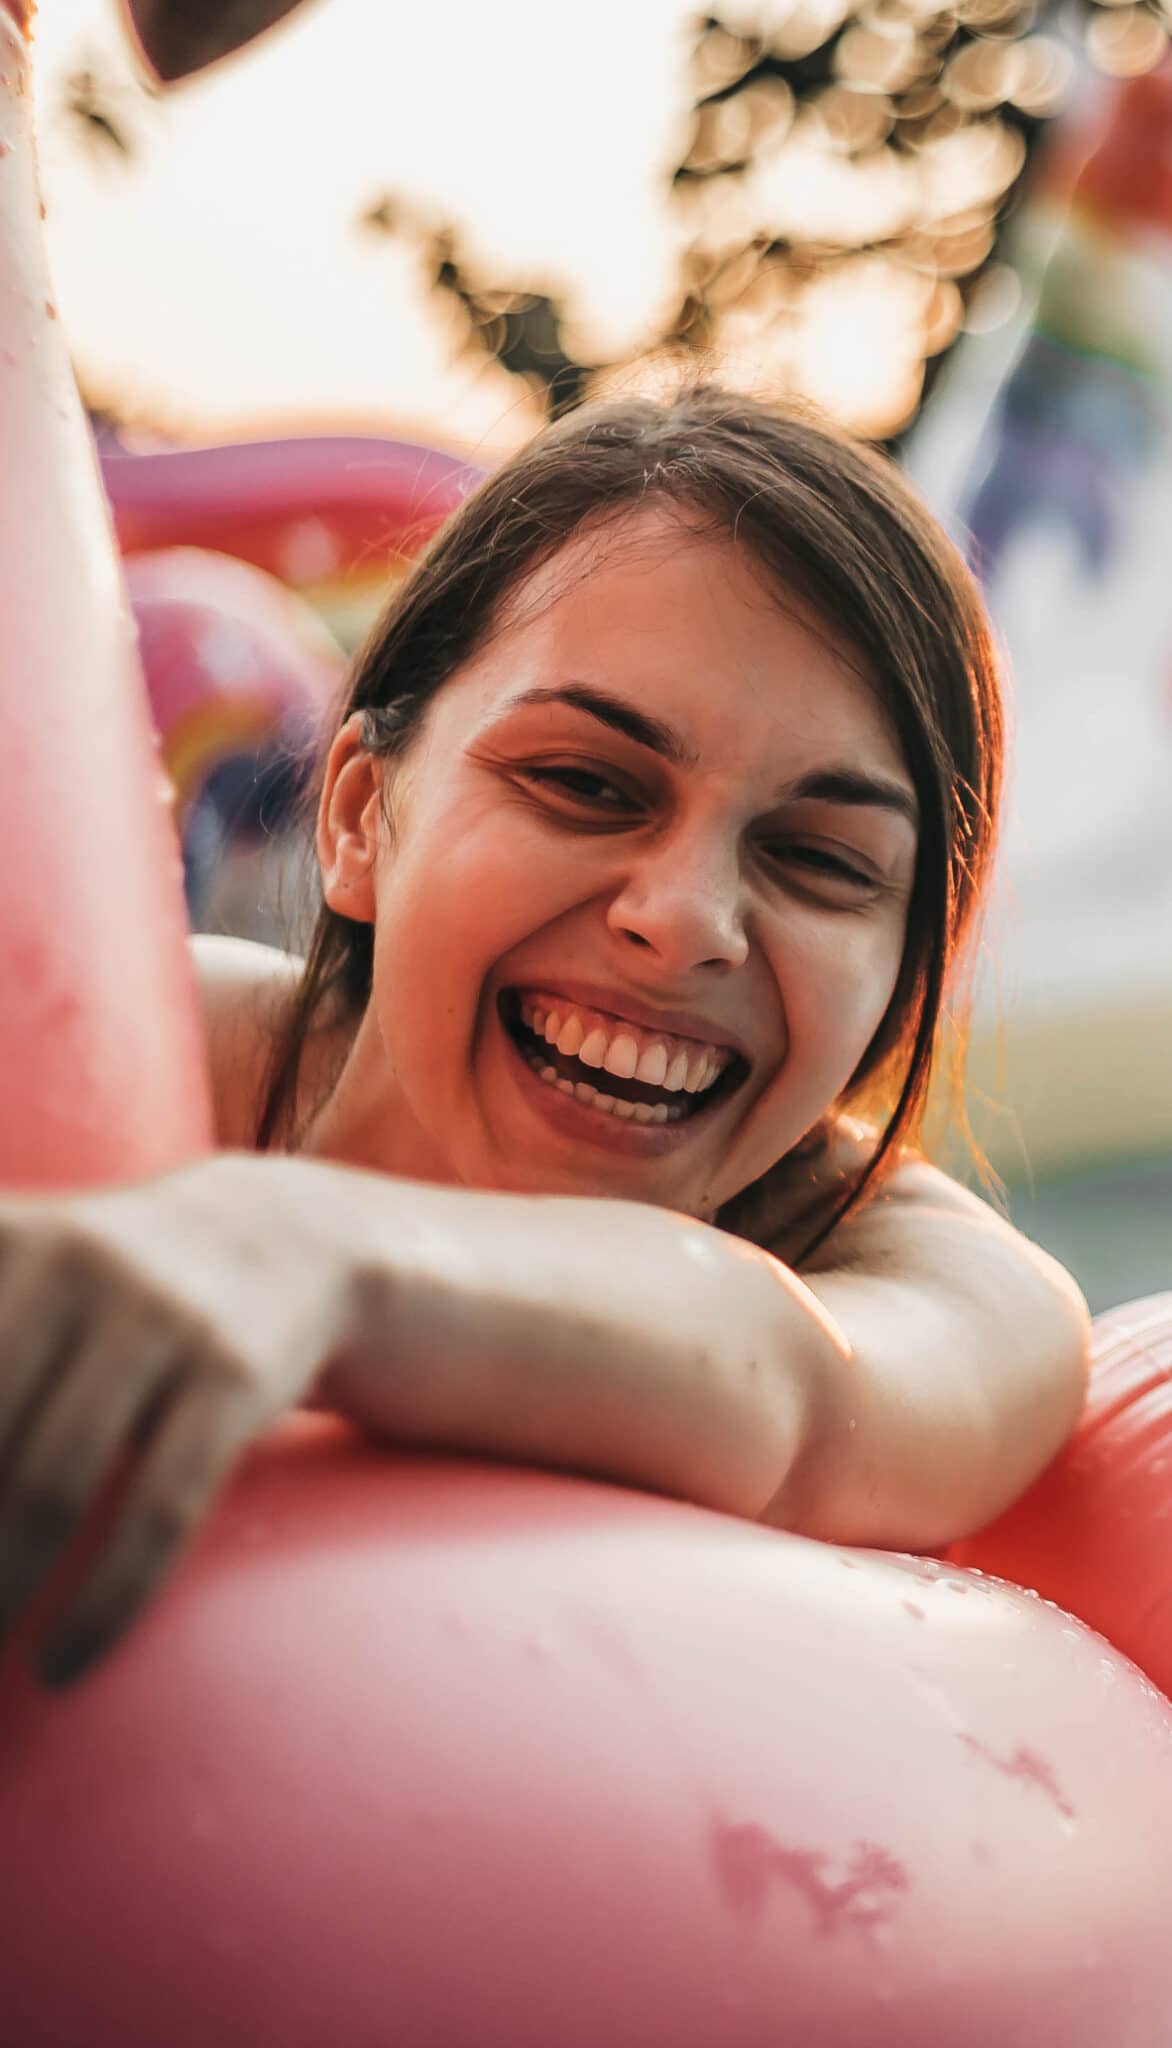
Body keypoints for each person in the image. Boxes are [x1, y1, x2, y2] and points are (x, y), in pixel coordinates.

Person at [0, 388, 1089, 1687]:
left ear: (906, 985)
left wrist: (303, 1248)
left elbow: (802, 1386)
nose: (685, 922)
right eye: (583, 783)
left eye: (817, 859)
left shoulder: (961, 1297)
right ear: (358, 816)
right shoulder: (140, 1057)